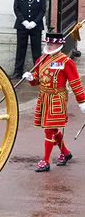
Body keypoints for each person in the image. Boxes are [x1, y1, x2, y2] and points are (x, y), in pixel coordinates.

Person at [23, 32, 85, 172]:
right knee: (52, 129)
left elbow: (75, 82)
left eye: (53, 44)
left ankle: (45, 161)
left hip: (57, 99)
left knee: (49, 130)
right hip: (44, 97)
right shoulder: (42, 59)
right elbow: (37, 79)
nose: (50, 46)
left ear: (59, 45)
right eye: (48, 43)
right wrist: (31, 78)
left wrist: (82, 101)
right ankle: (65, 153)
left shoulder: (66, 61)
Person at [12, 0, 46, 79]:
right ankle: (18, 71)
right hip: (22, 26)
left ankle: (38, 71)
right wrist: (24, 22)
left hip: (36, 26)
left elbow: (43, 10)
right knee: (20, 49)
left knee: (36, 50)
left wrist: (34, 22)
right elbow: (16, 9)